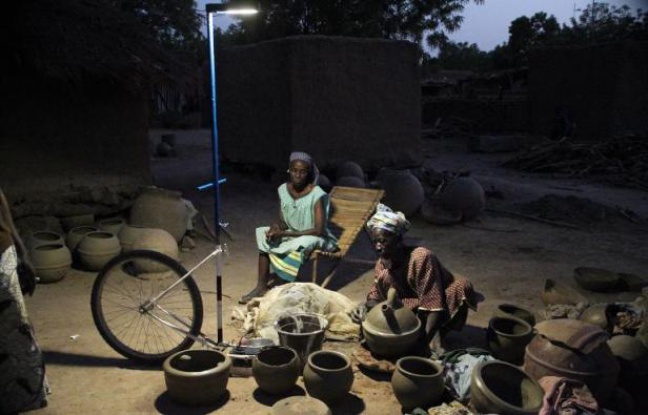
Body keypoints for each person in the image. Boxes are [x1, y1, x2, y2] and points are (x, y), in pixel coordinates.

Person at [364, 204, 477, 352]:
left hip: (440, 301)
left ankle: (437, 334)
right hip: (411, 305)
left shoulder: (420, 257)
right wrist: (369, 308)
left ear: (398, 239)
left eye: (383, 241)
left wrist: (424, 342)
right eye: (375, 242)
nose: (378, 247)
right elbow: (375, 296)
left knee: (462, 286)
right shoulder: (382, 264)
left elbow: (433, 304)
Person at [239, 152, 338, 304]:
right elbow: (283, 220)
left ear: (308, 173)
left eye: (302, 171)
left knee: (303, 243)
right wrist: (275, 227)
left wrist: (286, 234)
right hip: (291, 233)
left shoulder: (317, 194)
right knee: (262, 233)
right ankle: (261, 286)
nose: (298, 175)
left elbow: (318, 230)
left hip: (313, 236)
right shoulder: (282, 190)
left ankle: (284, 286)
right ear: (288, 171)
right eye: (294, 171)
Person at [0, 187, 49, 413]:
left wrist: (23, 253)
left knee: (15, 328)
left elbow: (3, 206)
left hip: (1, 255)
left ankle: (30, 394)